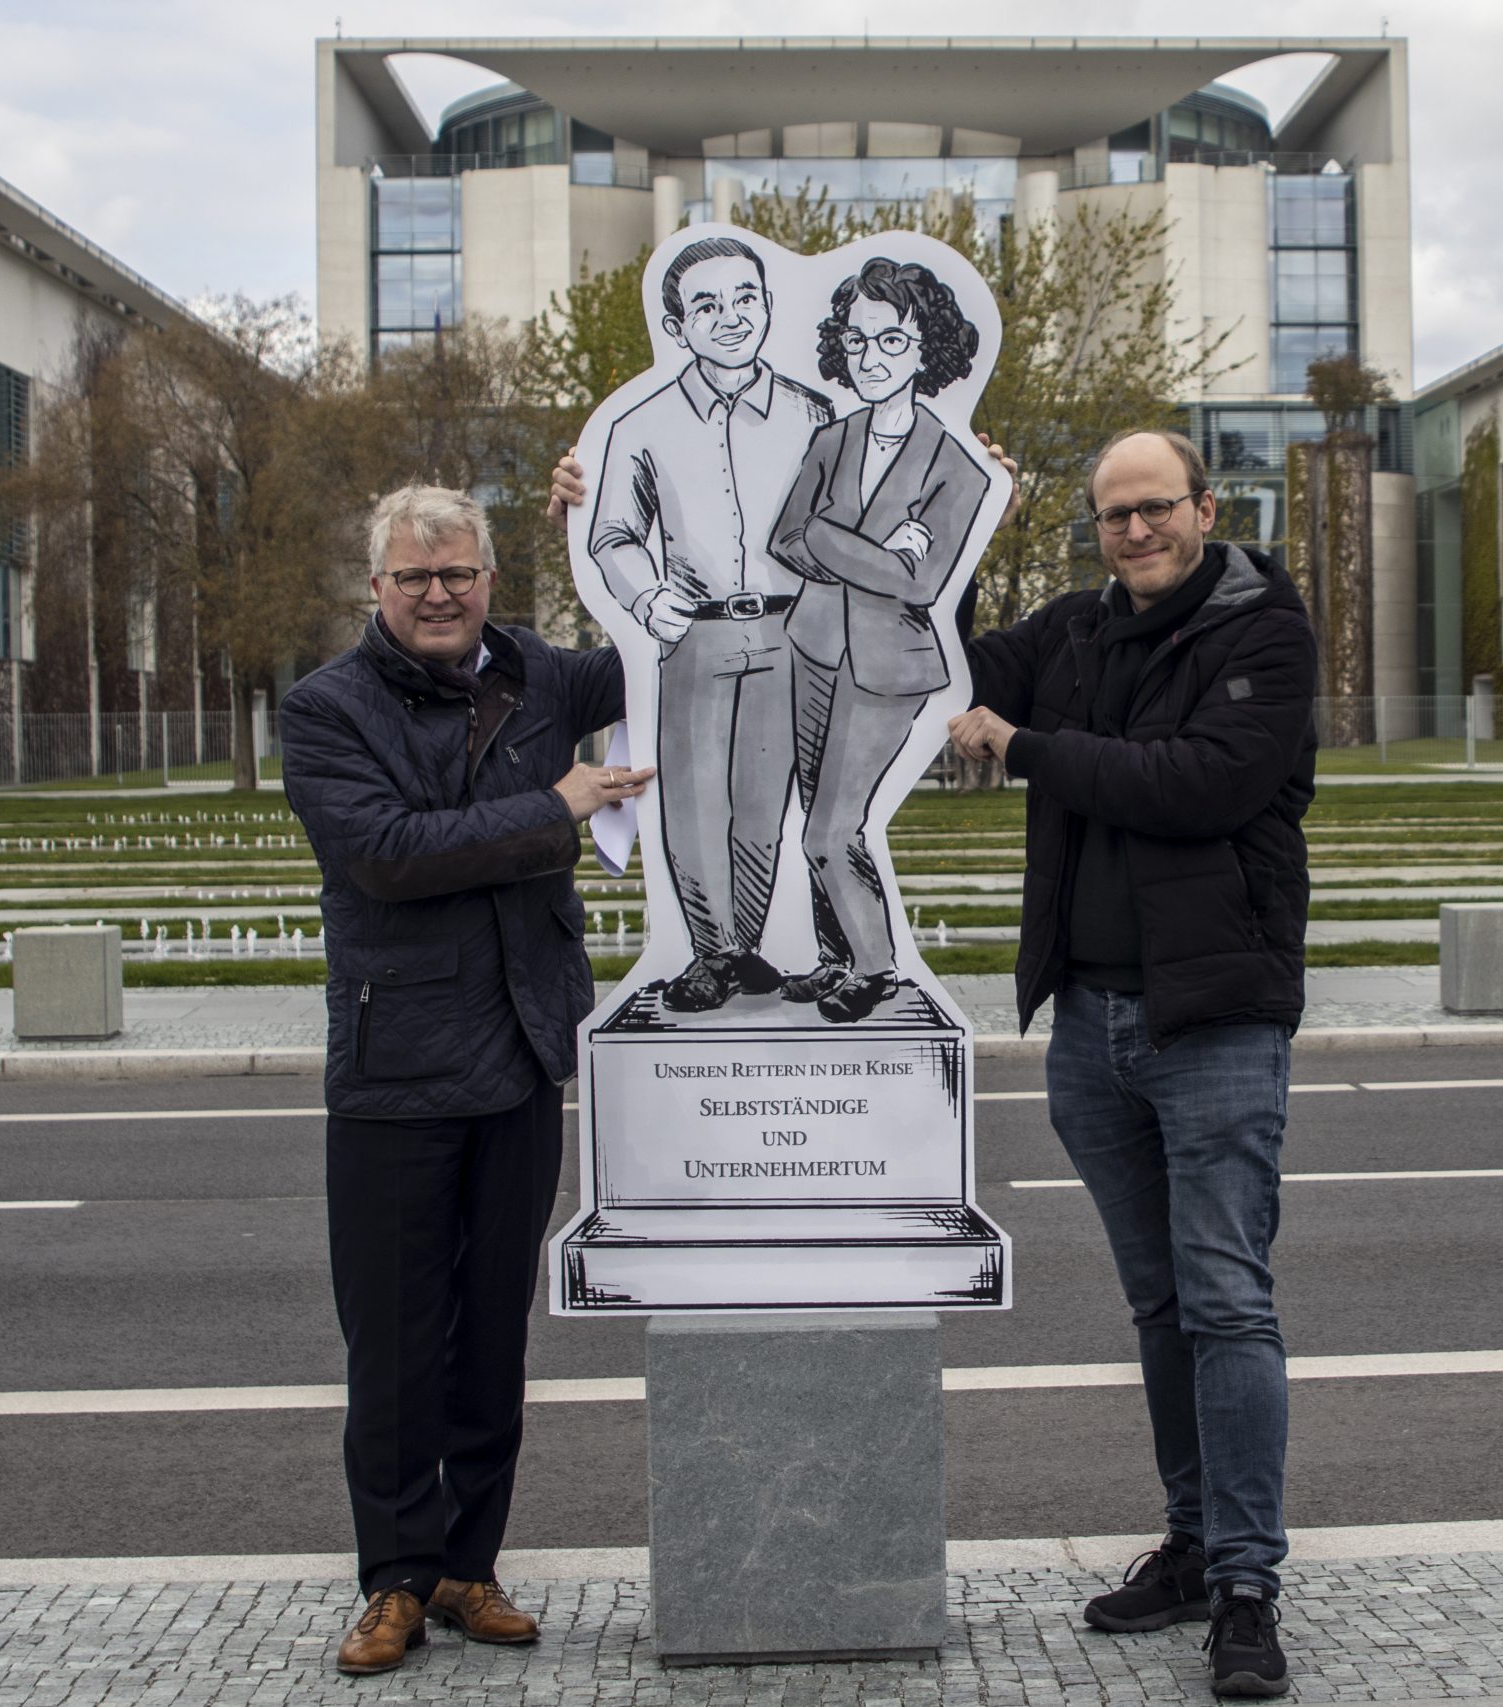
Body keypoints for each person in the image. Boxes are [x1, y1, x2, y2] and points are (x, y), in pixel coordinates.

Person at [946, 429, 1316, 1700]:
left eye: (1155, 508)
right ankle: (1195, 1544)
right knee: (1161, 1310)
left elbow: (1200, 785)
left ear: (1205, 508)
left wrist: (1027, 747)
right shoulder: (1071, 630)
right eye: (1113, 516)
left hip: (1212, 1023)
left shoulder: (1264, 629)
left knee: (1226, 1304)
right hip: (1091, 1030)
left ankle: (1249, 1590)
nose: (1135, 531)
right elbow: (926, 646)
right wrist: (959, 487)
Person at [280, 484, 652, 1677]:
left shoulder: (544, 674)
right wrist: (554, 808)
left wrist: (610, 503)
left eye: (460, 573)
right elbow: (386, 855)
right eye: (413, 576)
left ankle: (465, 1567)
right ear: (374, 590)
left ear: (492, 577)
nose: (438, 594)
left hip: (520, 1057)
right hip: (394, 1071)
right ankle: (390, 1579)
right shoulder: (326, 708)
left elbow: (672, 635)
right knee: (392, 1347)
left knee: (492, 1338)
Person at [581, 235, 833, 1014]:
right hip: (694, 633)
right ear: (677, 324)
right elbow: (610, 534)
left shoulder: (812, 413)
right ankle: (710, 951)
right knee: (692, 800)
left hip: (792, 633)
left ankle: (739, 946)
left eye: (745, 299)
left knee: (763, 803)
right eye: (707, 305)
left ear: (767, 306)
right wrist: (645, 595)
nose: (730, 318)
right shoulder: (641, 424)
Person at [766, 257, 993, 1022]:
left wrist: (837, 541)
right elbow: (787, 538)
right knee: (815, 824)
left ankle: (874, 967)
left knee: (834, 826)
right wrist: (877, 551)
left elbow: (923, 583)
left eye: (890, 342)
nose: (870, 359)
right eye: (856, 343)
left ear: (927, 349)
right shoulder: (833, 439)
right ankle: (835, 958)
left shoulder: (959, 468)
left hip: (891, 668)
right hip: (813, 645)